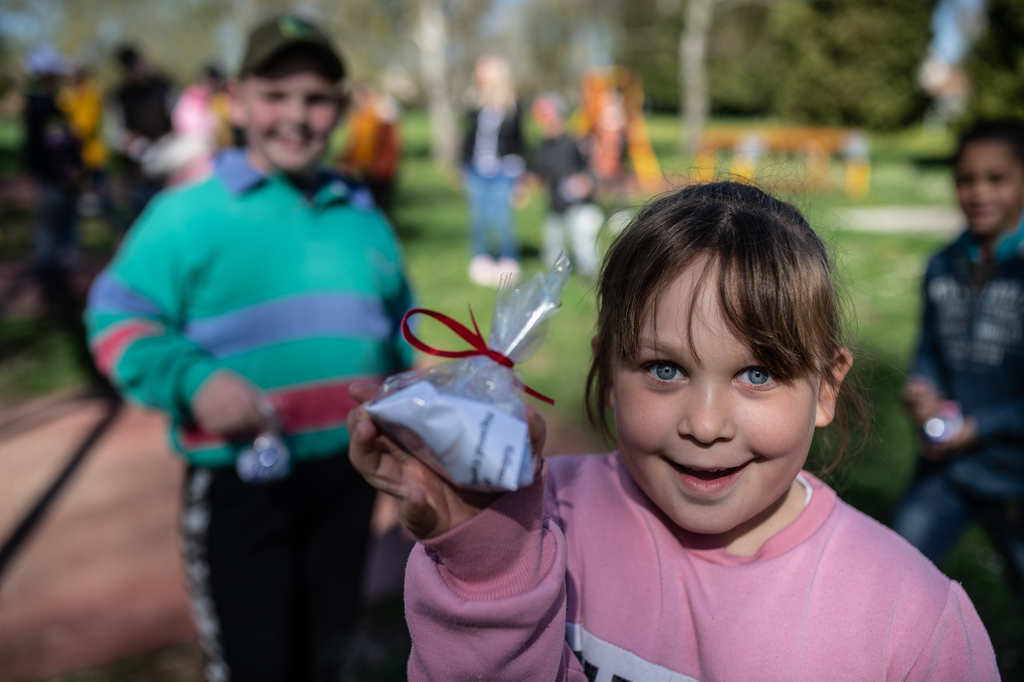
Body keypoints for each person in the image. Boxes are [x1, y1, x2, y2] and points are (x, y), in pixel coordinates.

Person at [346, 181, 998, 680]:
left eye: (758, 374)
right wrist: (488, 563)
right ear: (606, 369)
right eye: (664, 369)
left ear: (825, 387)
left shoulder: (910, 620)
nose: (706, 424)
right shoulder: (533, 519)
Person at [85, 15, 414, 682]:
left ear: (340, 108)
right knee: (256, 659)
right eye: (276, 94)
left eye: (316, 98)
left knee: (329, 648)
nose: (296, 115)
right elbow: (116, 318)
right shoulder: (188, 214)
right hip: (242, 483)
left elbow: (400, 329)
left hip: (347, 477)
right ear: (236, 100)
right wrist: (192, 380)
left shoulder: (361, 215)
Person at [892, 119, 1024, 614]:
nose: (979, 192)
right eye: (967, 179)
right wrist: (922, 386)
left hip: (1015, 475)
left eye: (997, 178)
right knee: (893, 573)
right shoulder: (942, 264)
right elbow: (930, 347)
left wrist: (982, 426)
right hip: (947, 465)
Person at [22, 45, 80, 312]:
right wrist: (65, 169)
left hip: (59, 179)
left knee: (57, 235)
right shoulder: (41, 106)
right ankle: (51, 289)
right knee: (50, 235)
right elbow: (51, 146)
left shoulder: (48, 103)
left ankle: (58, 287)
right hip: (54, 180)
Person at [462, 55, 525, 287]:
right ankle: (482, 259)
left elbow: (519, 141)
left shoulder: (511, 106)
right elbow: (468, 137)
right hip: (477, 171)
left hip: (503, 171)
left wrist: (519, 177)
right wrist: (463, 165)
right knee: (478, 218)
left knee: (503, 219)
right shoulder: (476, 103)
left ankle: (508, 259)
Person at [530, 94, 603, 279]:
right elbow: (541, 173)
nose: (548, 125)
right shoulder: (543, 147)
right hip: (555, 204)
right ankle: (557, 273)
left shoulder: (573, 144)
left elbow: (590, 170)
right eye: (543, 121)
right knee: (553, 241)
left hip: (578, 204)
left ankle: (591, 271)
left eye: (552, 120)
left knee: (583, 238)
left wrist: (588, 182)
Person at [112, 45, 173, 226]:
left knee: (167, 222)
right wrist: (126, 141)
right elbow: (113, 134)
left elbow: (179, 122)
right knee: (141, 224)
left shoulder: (164, 87)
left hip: (165, 169)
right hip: (136, 175)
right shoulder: (121, 95)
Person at [337, 83, 401, 216]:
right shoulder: (360, 117)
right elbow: (356, 144)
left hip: (378, 171)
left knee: (379, 206)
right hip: (364, 169)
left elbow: (385, 147)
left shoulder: (380, 116)